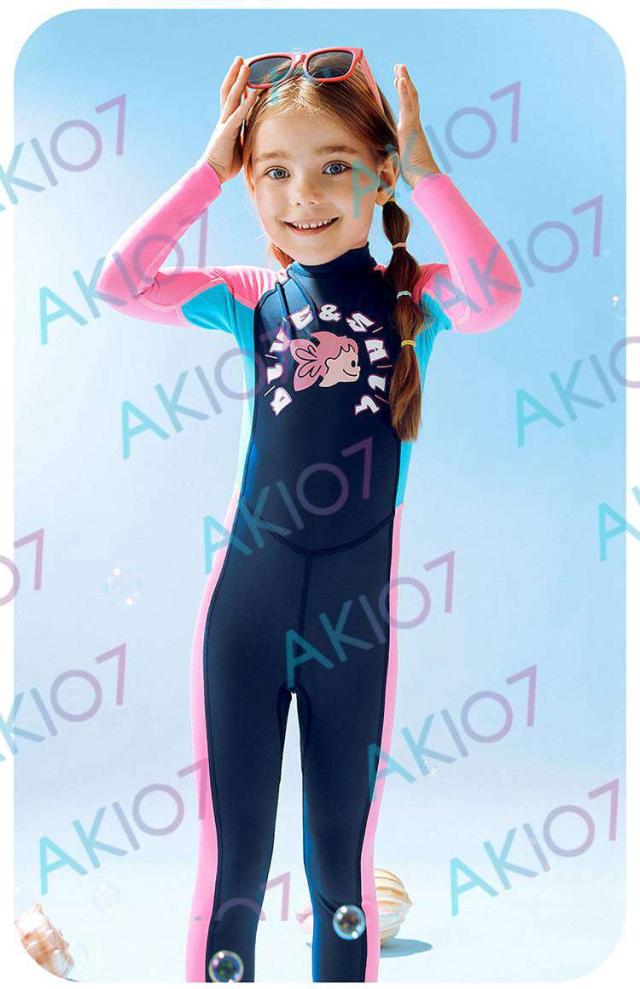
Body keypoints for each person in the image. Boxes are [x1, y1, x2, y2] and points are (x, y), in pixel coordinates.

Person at [96, 49, 522, 983]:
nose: (304, 195)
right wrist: (209, 167)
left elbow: (499, 294)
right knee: (234, 863)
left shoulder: (416, 301)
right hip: (242, 621)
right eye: (275, 171)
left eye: (335, 165)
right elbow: (120, 282)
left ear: (379, 173)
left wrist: (428, 171)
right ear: (251, 184)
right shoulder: (252, 302)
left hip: (353, 629)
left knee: (340, 863)